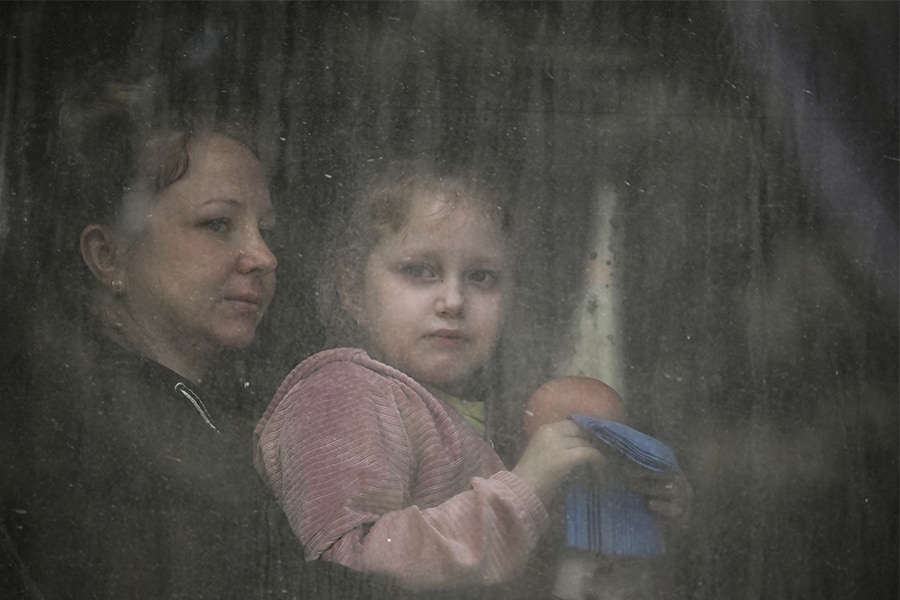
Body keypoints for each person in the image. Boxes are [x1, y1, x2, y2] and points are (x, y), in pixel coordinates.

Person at [253, 163, 690, 599]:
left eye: (482, 277)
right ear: (352, 289)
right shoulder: (341, 395)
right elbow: (351, 563)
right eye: (420, 270)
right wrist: (524, 489)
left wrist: (640, 510)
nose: (454, 301)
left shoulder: (492, 412)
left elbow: (517, 555)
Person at [1, 62, 282, 599]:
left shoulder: (204, 403)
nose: (264, 257)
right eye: (218, 223)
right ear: (109, 255)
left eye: (265, 230)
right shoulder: (88, 439)